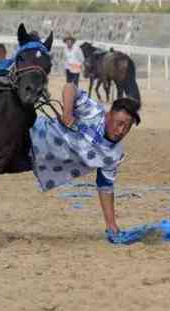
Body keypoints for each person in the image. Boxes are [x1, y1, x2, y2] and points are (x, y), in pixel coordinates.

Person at [28, 83, 141, 242]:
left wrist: (111, 224)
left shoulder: (114, 154)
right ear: (108, 116)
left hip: (37, 163)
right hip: (31, 135)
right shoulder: (93, 112)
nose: (121, 131)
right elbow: (69, 87)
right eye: (119, 123)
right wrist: (67, 113)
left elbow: (105, 187)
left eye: (127, 127)